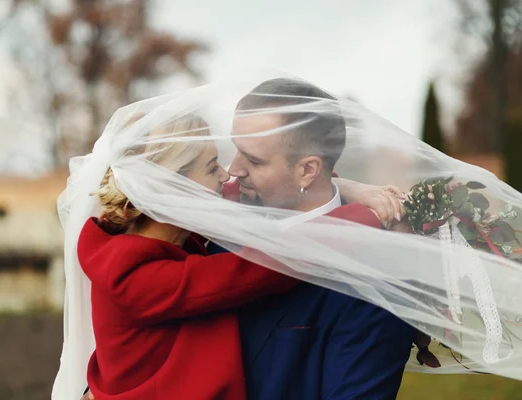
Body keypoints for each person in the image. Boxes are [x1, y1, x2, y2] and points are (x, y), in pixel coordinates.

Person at [76, 114, 393, 400]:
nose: (228, 175)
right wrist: (362, 217)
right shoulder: (137, 279)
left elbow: (241, 193)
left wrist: (343, 186)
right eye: (213, 167)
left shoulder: (156, 241)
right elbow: (263, 267)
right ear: (170, 189)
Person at [215, 78, 416, 399]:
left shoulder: (373, 288)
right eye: (235, 151)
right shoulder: (214, 235)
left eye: (253, 160)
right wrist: (350, 185)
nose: (233, 170)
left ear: (307, 170)